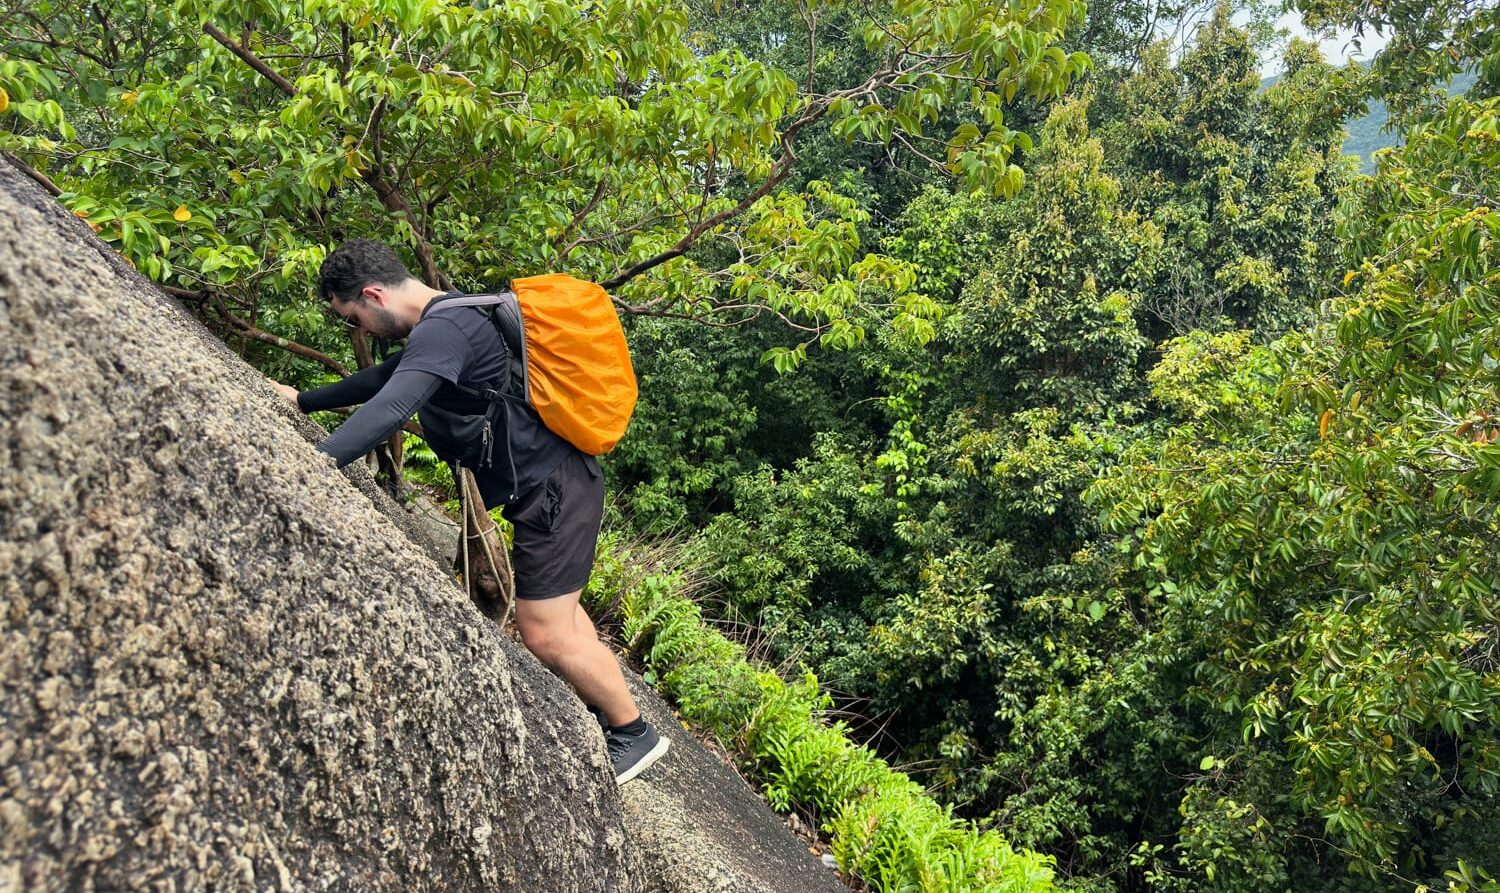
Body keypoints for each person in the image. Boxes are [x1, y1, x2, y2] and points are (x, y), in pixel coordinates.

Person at [273, 239, 669, 785]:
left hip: (554, 489)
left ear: (372, 293)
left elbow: (394, 405)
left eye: (355, 317)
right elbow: (384, 380)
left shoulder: (445, 329)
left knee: (546, 632)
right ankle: (609, 716)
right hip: (556, 484)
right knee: (565, 620)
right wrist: (304, 401)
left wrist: (311, 466)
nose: (360, 330)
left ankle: (632, 733)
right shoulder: (450, 316)